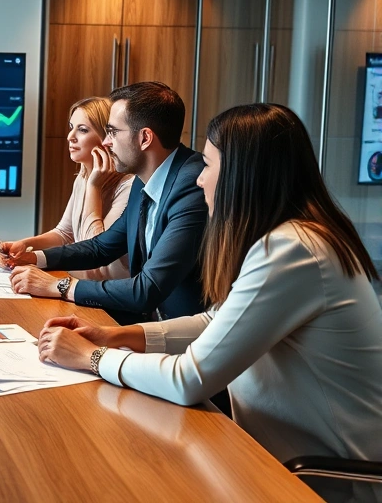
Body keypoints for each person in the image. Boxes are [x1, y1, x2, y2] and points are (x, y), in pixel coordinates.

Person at [38, 104, 382, 502]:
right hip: (267, 457)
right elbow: (214, 321)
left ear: (243, 175)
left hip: (321, 482)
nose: (200, 178)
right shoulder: (292, 238)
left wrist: (91, 358)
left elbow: (190, 380)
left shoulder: (293, 250)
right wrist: (114, 335)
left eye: (208, 164)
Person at [7, 82, 207, 323]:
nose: (107, 142)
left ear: (144, 138)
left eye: (113, 132)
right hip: (152, 325)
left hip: (184, 337)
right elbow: (101, 247)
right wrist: (36, 257)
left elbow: (147, 289)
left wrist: (59, 286)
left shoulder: (191, 186)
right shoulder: (145, 180)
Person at [0, 96, 133, 280]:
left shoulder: (128, 187)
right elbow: (64, 233)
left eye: (82, 130)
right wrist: (24, 244)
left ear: (107, 137)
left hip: (104, 298)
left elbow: (96, 251)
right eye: (71, 127)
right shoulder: (83, 178)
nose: (70, 137)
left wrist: (94, 188)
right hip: (76, 284)